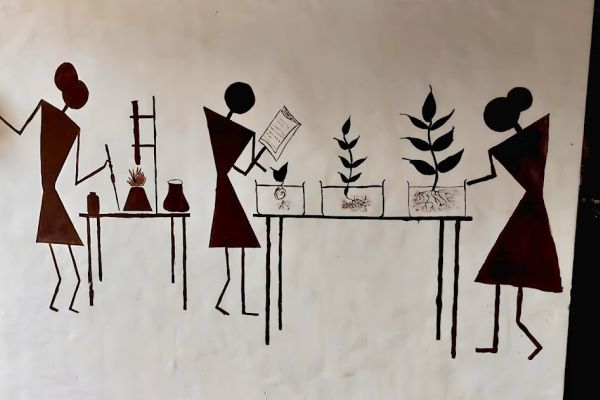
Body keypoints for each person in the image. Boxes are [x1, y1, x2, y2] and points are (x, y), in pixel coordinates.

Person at [0, 62, 110, 313]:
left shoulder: (48, 111)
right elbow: (78, 178)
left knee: (58, 241)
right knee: (60, 243)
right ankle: (70, 288)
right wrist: (102, 167)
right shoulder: (72, 128)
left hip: (50, 196)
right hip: (50, 195)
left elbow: (18, 130)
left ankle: (69, 288)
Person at [467, 87, 562, 360]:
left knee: (511, 272)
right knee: (510, 274)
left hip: (528, 215)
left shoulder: (533, 136)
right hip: (528, 213)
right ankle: (502, 339)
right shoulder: (534, 136)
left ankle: (515, 336)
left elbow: (492, 174)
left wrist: (473, 182)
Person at [204, 82, 267, 316]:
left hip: (226, 193)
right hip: (227, 196)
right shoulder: (230, 132)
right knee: (236, 249)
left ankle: (234, 303)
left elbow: (235, 168)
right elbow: (241, 169)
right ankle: (232, 302)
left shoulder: (220, 126)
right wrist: (257, 158)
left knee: (236, 250)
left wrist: (252, 160)